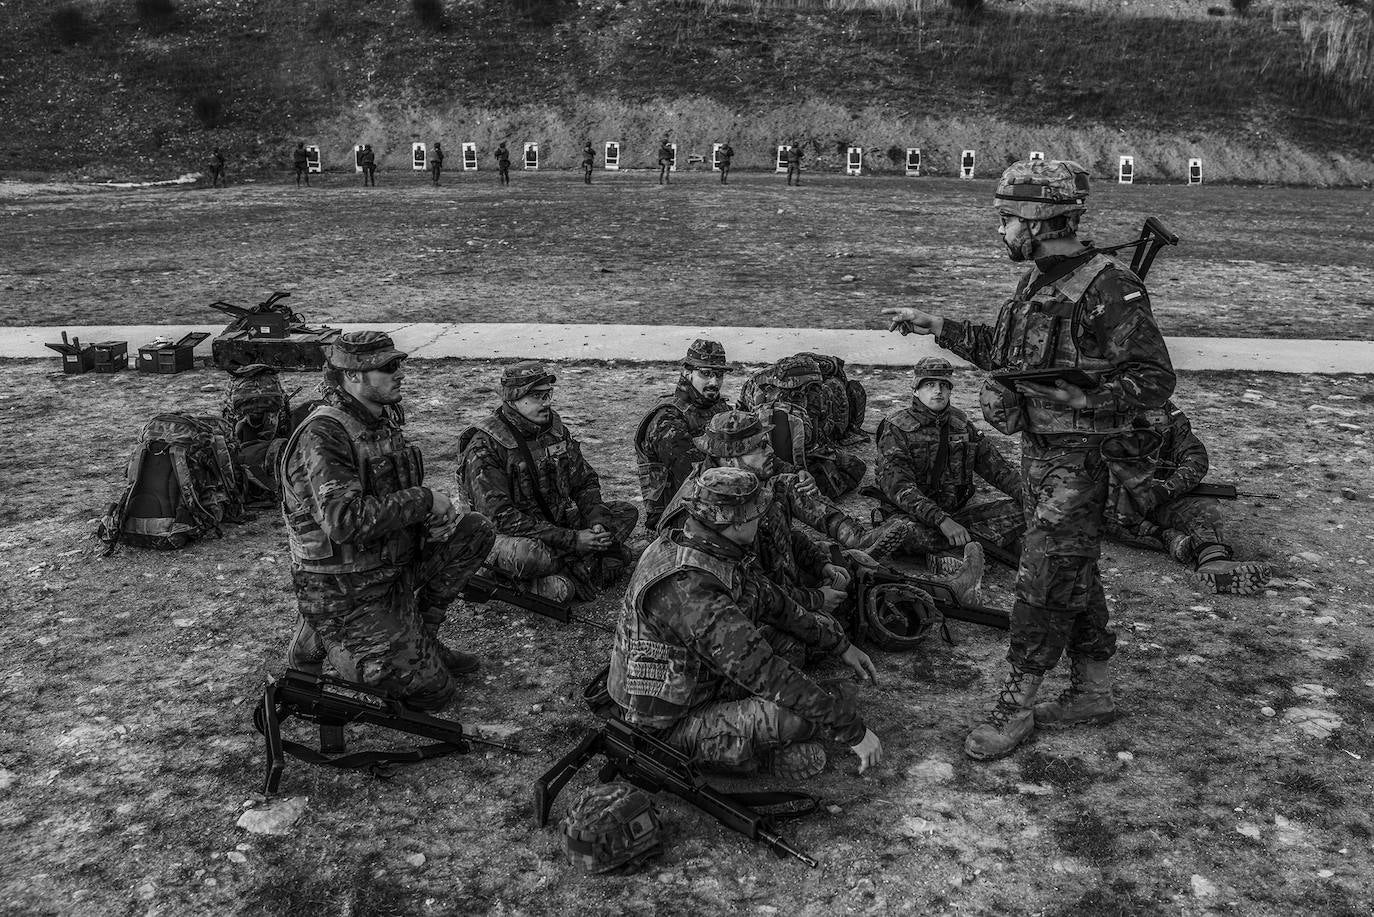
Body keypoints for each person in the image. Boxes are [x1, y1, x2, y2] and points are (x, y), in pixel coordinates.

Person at [883, 158, 1176, 760]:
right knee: (1073, 567)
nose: (1000, 231)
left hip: (1081, 465)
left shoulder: (1109, 288)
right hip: (1042, 461)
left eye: (1006, 219)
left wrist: (1082, 395)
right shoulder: (1043, 282)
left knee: (1042, 579)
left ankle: (1016, 700)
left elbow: (1153, 380)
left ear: (1039, 220)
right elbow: (1006, 351)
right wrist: (937, 325)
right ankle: (1094, 688)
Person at [607, 466, 883, 778]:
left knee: (791, 646)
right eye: (754, 513)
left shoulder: (713, 546)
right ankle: (757, 757)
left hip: (697, 679)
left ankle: (758, 735)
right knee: (799, 719)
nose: (760, 517)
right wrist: (852, 731)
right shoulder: (689, 586)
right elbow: (763, 671)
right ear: (733, 521)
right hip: (666, 726)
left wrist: (840, 644)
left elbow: (775, 603)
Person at [281, 331, 496, 711]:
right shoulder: (324, 433)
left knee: (474, 531)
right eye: (386, 368)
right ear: (353, 377)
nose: (399, 374)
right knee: (434, 694)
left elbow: (385, 495)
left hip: (390, 568)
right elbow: (342, 520)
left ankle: (422, 638)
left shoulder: (379, 419)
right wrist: (424, 500)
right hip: (344, 589)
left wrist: (428, 522)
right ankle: (322, 636)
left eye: (398, 364)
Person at [459, 361, 641, 603]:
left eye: (548, 394)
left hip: (552, 526)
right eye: (536, 396)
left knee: (624, 512)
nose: (546, 402)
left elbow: (584, 480)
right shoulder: (486, 445)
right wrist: (573, 540)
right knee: (530, 556)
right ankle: (570, 568)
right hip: (507, 538)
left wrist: (596, 522)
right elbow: (500, 518)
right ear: (513, 398)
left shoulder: (553, 430)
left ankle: (570, 570)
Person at [1104, 402, 1271, 595]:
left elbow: (1196, 457)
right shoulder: (1095, 407)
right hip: (1117, 501)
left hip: (1161, 497)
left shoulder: (1165, 411)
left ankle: (1214, 561)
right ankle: (1168, 538)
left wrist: (1164, 490)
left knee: (1206, 506)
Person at [874, 356, 1024, 569]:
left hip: (956, 517)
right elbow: (899, 487)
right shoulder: (897, 428)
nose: (938, 391)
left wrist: (1031, 496)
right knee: (902, 533)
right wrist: (941, 520)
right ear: (916, 390)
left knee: (1030, 508)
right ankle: (969, 546)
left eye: (944, 385)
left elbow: (998, 469)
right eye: (930, 384)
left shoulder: (961, 425)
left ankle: (955, 549)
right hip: (913, 517)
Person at [633, 339, 732, 532]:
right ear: (687, 372)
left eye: (719, 375)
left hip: (716, 495)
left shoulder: (718, 408)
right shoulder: (667, 420)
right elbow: (695, 475)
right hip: (679, 513)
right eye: (705, 374)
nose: (714, 382)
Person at [753, 355, 866, 499]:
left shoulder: (823, 394)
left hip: (833, 420)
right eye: (791, 393)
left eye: (798, 395)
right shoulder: (757, 389)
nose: (800, 398)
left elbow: (825, 436)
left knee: (851, 467)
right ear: (770, 389)